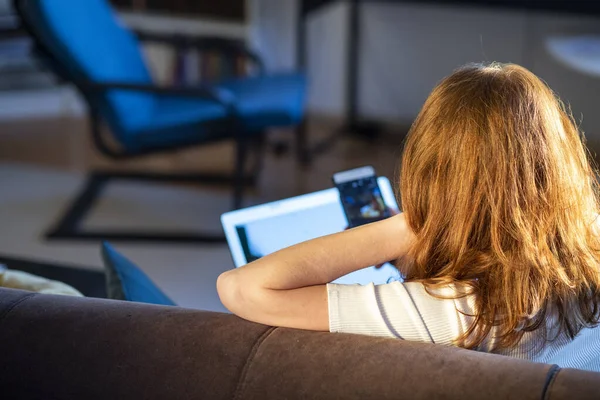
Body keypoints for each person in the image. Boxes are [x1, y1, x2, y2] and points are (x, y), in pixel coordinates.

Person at [216, 63, 600, 371]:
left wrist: (413, 226)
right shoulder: (590, 246)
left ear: (427, 168)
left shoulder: (454, 310)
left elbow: (242, 288)